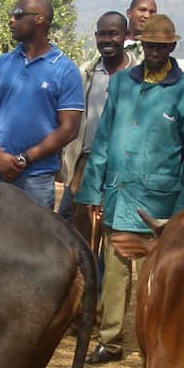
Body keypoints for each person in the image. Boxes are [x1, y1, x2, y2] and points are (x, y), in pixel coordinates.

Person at [76, 13, 184, 365]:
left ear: (172, 46)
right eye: (150, 46)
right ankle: (111, 340)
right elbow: (102, 140)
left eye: (163, 46)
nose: (156, 52)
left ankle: (165, 341)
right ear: (141, 45)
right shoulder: (122, 83)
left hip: (161, 200)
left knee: (162, 275)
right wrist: (92, 191)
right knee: (114, 271)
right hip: (119, 194)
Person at [0, 0, 83, 209]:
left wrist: (24, 159)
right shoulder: (2, 63)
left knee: (32, 241)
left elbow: (69, 129)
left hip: (37, 178)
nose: (11, 21)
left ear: (39, 19)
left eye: (17, 15)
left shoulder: (65, 70)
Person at [58, 12, 133, 221]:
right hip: (85, 164)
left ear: (126, 36)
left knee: (113, 226)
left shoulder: (138, 75)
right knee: (72, 224)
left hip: (124, 167)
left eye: (113, 34)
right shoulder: (85, 73)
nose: (107, 40)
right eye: (101, 34)